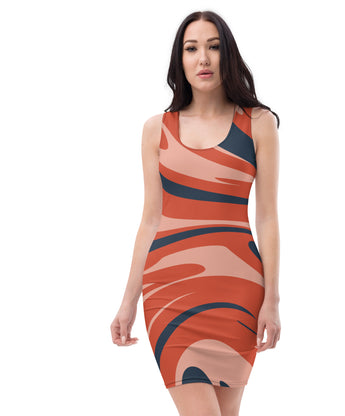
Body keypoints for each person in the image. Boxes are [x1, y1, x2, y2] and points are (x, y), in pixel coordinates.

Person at [110, 10, 281, 415]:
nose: (203, 58)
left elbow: (268, 217)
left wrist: (272, 299)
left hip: (238, 295)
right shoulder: (157, 129)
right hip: (169, 295)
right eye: (191, 48)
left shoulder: (258, 124)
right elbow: (151, 219)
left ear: (228, 55)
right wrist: (128, 300)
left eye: (213, 47)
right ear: (180, 59)